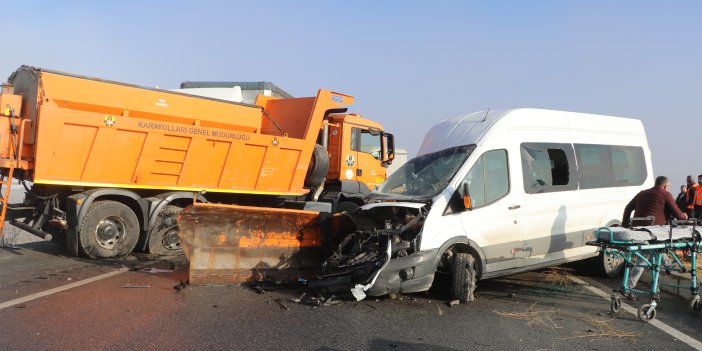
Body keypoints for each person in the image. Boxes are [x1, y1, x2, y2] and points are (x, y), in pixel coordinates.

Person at [621, 176, 687, 299]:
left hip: (637, 231)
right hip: (653, 233)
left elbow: (627, 208)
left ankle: (667, 264)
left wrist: (625, 224)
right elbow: (678, 215)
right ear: (666, 186)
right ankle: (629, 286)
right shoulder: (666, 194)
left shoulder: (641, 193)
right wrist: (685, 216)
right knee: (643, 259)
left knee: (657, 250)